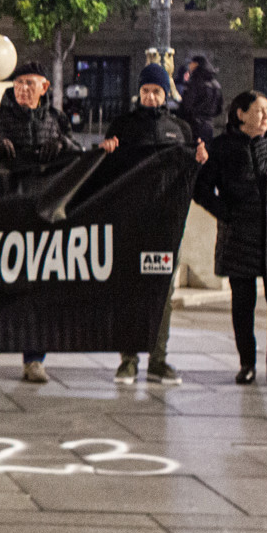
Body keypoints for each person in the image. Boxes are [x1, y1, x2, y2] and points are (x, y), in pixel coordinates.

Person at [0, 60, 79, 383]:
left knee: (36, 290)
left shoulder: (56, 121)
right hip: (2, 213)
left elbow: (79, 156)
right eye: (18, 84)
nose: (23, 89)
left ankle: (34, 360)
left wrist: (63, 146)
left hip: (40, 217)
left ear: (44, 87)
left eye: (30, 83)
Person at [99, 62, 208, 386]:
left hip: (165, 227)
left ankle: (158, 361)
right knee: (129, 292)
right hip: (130, 224)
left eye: (156, 91)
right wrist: (107, 152)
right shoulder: (122, 125)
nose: (150, 96)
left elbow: (189, 177)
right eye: (146, 90)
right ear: (139, 92)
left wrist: (199, 162)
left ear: (165, 94)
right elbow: (108, 171)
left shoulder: (180, 129)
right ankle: (128, 360)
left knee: (162, 291)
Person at [193, 89, 267, 386]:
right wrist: (227, 213)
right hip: (239, 236)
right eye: (259, 110)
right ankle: (247, 363)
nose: (266, 116)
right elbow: (201, 190)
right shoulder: (223, 146)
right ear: (240, 114)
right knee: (243, 304)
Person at [179, 56, 224, 145]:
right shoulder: (216, 85)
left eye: (191, 64)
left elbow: (187, 106)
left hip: (193, 126)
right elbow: (219, 108)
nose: (189, 67)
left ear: (196, 64)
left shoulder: (195, 82)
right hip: (209, 125)